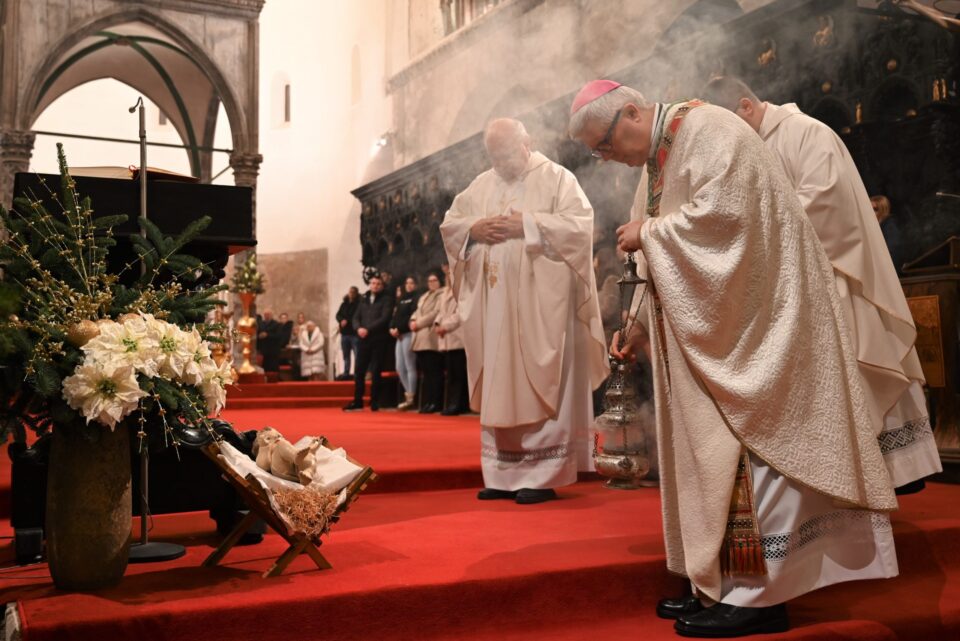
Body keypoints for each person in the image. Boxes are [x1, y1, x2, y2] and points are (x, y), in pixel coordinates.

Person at [568, 80, 898, 637]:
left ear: (629, 111)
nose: (605, 159)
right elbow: (661, 254)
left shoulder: (711, 129)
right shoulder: (659, 158)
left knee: (747, 459)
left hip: (755, 336)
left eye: (603, 144)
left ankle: (757, 598)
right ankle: (717, 584)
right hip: (713, 339)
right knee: (706, 462)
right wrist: (639, 324)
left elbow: (729, 222)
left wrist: (649, 231)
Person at [702, 76, 942, 491]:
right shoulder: (755, 147)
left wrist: (751, 227)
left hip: (838, 283)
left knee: (860, 372)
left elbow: (826, 204)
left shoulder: (807, 133)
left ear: (745, 107)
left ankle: (891, 476)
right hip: (794, 290)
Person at [439, 117, 609, 505]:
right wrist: (473, 230)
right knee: (499, 380)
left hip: (540, 307)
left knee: (541, 375)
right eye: (493, 155)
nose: (500, 162)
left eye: (505, 153)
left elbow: (581, 228)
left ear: (526, 143)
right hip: (493, 308)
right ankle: (501, 474)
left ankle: (542, 474)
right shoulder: (481, 185)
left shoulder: (558, 179)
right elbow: (451, 224)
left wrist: (527, 226)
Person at [343, 276, 393, 412]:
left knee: (376, 371)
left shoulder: (386, 299)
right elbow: (355, 317)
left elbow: (385, 317)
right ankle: (358, 401)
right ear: (369, 284)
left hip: (378, 339)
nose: (375, 286)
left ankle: (374, 401)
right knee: (359, 371)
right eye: (373, 283)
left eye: (378, 283)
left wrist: (368, 329)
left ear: (382, 285)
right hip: (363, 339)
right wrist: (358, 328)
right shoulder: (363, 299)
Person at [409, 270, 445, 414]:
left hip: (430, 337)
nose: (431, 283)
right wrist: (412, 320)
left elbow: (435, 313)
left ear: (440, 281)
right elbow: (417, 311)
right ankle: (428, 401)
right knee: (426, 373)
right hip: (419, 337)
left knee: (434, 372)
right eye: (429, 281)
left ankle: (436, 402)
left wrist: (418, 323)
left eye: (434, 280)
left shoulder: (442, 294)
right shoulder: (424, 296)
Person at [435, 271, 470, 416]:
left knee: (457, 374)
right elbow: (439, 312)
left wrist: (445, 326)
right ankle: (452, 403)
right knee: (451, 374)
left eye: (451, 275)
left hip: (456, 337)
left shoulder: (462, 291)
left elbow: (460, 314)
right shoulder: (444, 293)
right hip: (445, 338)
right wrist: (437, 323)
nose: (449, 278)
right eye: (447, 276)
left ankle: (457, 404)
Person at [390, 276, 422, 410]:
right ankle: (409, 393)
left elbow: (411, 316)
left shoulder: (417, 298)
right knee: (399, 367)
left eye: (412, 282)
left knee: (410, 366)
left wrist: (400, 328)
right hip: (399, 335)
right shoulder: (401, 299)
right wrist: (391, 328)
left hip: (408, 334)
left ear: (415, 284)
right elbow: (395, 316)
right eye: (407, 283)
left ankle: (411, 396)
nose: (409, 285)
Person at [335, 287, 360, 381]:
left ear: (356, 293)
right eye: (350, 292)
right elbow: (338, 315)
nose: (351, 294)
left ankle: (357, 373)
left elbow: (356, 316)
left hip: (354, 333)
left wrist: (347, 321)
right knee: (346, 355)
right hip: (344, 333)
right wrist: (341, 320)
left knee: (357, 354)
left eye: (353, 292)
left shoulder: (359, 304)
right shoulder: (344, 304)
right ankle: (346, 372)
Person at [256, 308, 282, 374]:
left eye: (268, 314)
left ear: (271, 315)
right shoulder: (261, 324)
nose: (266, 316)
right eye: (265, 314)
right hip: (264, 350)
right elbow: (257, 334)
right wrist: (259, 336)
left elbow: (278, 336)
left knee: (273, 368)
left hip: (273, 350)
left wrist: (267, 335)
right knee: (265, 368)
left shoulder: (276, 324)